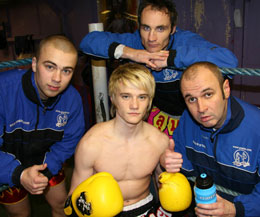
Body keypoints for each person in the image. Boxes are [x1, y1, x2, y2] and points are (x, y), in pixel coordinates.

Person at [79, 0, 238, 138]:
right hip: (157, 116)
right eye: (146, 28)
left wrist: (170, 58)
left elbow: (229, 61)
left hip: (190, 116)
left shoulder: (185, 41)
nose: (151, 38)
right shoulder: (135, 41)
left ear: (173, 29)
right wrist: (133, 53)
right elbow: (89, 41)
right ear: (139, 27)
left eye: (160, 29)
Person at [67, 63, 173, 216]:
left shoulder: (159, 141)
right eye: (126, 96)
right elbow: (73, 198)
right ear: (113, 99)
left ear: (149, 101)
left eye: (142, 97)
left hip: (146, 208)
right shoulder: (92, 143)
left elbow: (162, 184)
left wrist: (170, 174)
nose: (134, 105)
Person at [0, 35, 85, 217]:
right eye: (49, 67)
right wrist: (19, 175)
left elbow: (70, 140)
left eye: (66, 71)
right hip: (6, 161)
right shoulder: (3, 90)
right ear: (34, 64)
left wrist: (47, 169)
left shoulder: (72, 99)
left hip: (45, 159)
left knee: (62, 204)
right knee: (20, 214)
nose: (57, 78)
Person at [160, 61, 260, 217]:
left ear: (226, 89)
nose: (201, 108)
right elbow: (181, 167)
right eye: (191, 99)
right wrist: (166, 161)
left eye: (208, 94)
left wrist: (235, 209)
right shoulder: (188, 119)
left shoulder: (256, 128)